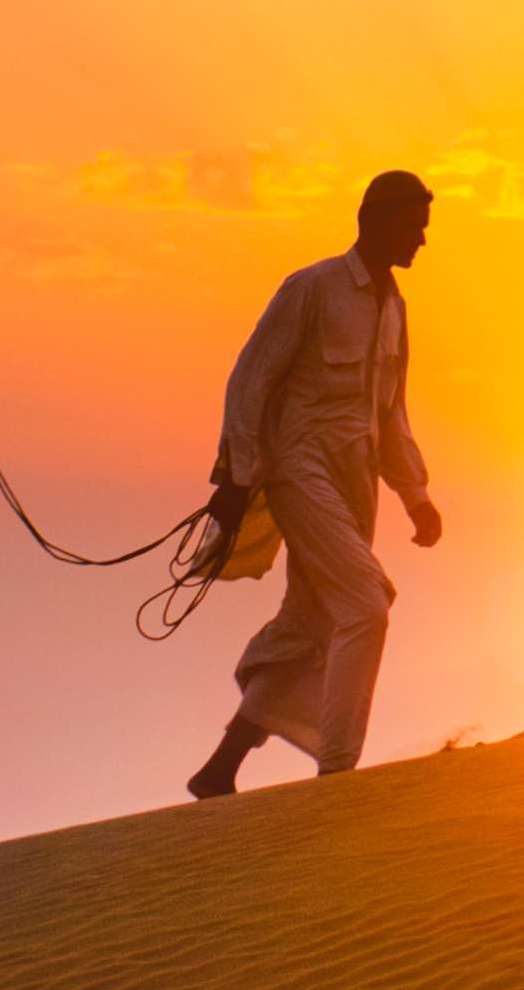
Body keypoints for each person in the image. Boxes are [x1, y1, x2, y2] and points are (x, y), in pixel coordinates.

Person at [185, 169, 445, 794]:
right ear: (376, 221)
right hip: (300, 472)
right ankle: (338, 775)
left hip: (358, 486)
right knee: (365, 603)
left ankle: (219, 770)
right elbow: (251, 380)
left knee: (311, 623)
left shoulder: (395, 310)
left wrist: (415, 495)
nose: (421, 241)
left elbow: (391, 412)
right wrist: (237, 474)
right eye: (413, 227)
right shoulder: (312, 288)